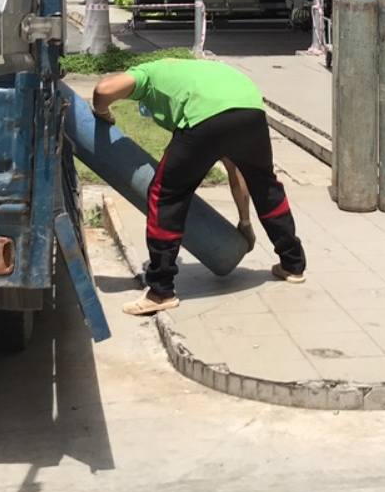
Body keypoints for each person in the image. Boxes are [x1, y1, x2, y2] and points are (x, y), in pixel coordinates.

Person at [92, 59, 306, 316]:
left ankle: (160, 291)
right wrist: (244, 222)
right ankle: (293, 264)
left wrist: (103, 113)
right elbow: (236, 171)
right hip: (250, 110)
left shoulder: (147, 73)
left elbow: (104, 89)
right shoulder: (197, 73)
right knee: (266, 186)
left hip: (205, 116)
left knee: (165, 195)